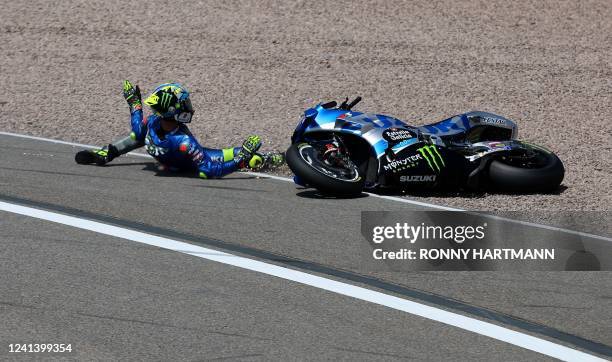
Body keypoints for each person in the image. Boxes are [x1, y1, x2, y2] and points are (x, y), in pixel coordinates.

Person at [75, 81, 283, 178]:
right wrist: (242, 159)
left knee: (137, 136)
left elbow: (137, 130)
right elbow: (208, 171)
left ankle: (106, 153)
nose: (188, 107)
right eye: (184, 103)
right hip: (187, 162)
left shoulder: (154, 123)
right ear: (174, 110)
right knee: (242, 156)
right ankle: (271, 159)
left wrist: (134, 103)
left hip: (176, 156)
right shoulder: (183, 140)